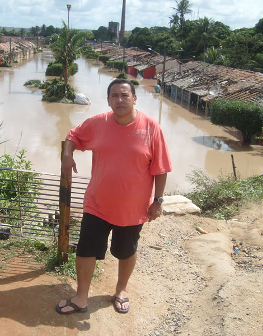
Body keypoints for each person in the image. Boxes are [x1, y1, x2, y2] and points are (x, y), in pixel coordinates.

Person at [56, 78, 172, 315]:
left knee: (126, 251)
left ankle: (120, 290)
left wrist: (157, 201)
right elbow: (73, 135)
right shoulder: (98, 123)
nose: (120, 100)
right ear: (108, 100)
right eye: (114, 96)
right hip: (97, 203)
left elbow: (160, 169)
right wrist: (67, 155)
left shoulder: (151, 128)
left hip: (133, 208)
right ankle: (80, 298)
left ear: (134, 99)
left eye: (125, 95)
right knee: (86, 249)